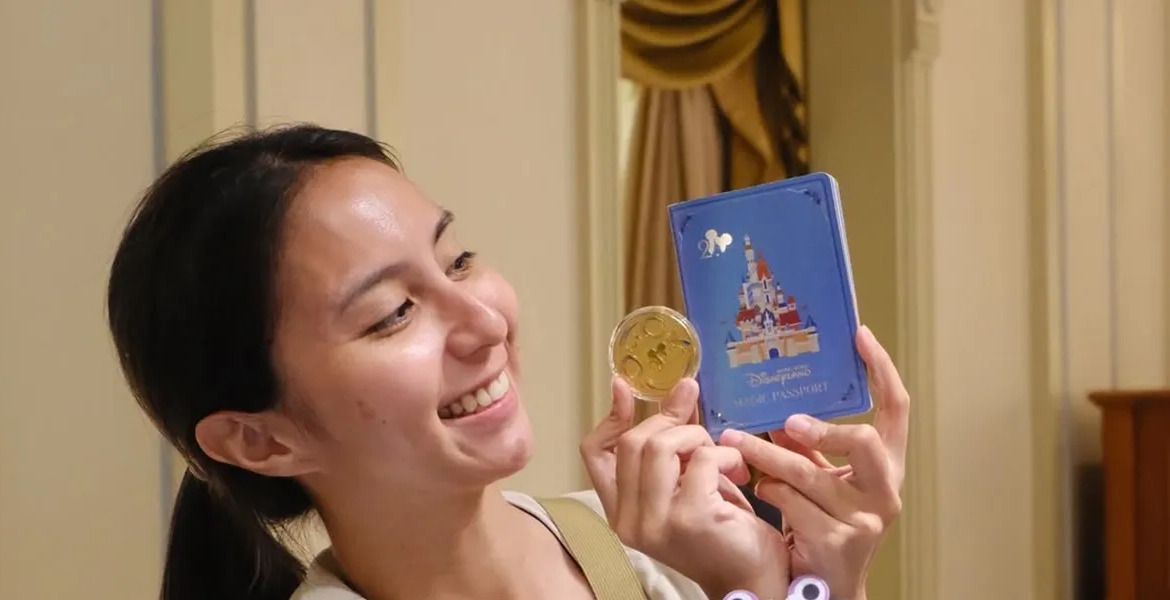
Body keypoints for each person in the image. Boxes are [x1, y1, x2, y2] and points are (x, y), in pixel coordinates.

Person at [106, 124, 909, 600]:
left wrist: (805, 584)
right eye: (392, 314)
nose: (484, 320)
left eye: (458, 261)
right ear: (262, 441)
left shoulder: (630, 547)